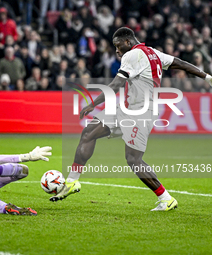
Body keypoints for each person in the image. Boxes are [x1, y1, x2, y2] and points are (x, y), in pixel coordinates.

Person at [50, 27, 212, 211]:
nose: (117, 51)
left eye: (118, 46)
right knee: (88, 132)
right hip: (126, 108)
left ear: (128, 42)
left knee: (133, 159)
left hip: (141, 113)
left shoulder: (132, 55)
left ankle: (166, 198)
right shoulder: (153, 53)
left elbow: (117, 83)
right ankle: (72, 181)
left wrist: (93, 104)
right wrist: (206, 77)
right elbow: (180, 63)